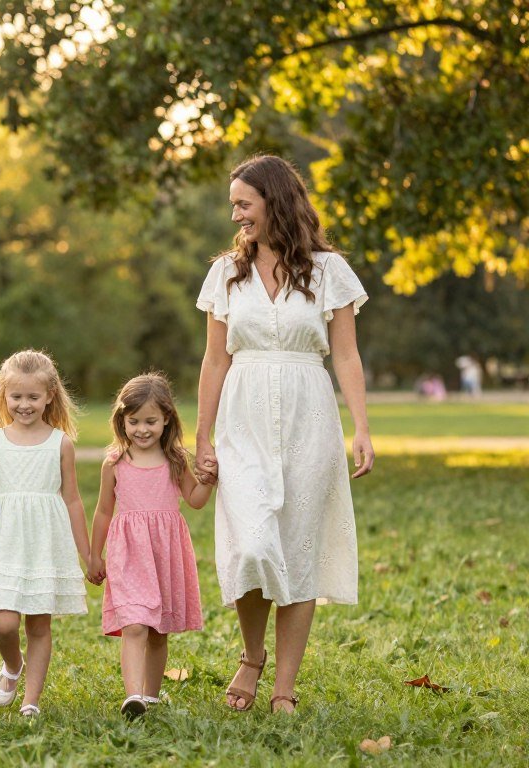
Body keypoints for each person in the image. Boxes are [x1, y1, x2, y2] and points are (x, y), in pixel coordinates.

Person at [194, 154, 374, 714]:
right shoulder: (226, 271)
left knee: (298, 550)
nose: (236, 216)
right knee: (251, 545)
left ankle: (284, 685)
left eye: (244, 204)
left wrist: (362, 427)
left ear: (275, 200)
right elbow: (213, 361)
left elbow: (345, 354)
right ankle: (252, 656)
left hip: (309, 413)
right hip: (241, 416)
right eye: (233, 206)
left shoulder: (328, 271)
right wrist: (202, 436)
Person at [0, 350, 90, 717]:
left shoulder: (60, 443)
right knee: (4, 622)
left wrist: (88, 554)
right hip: (7, 542)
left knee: (39, 623)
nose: (24, 404)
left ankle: (31, 700)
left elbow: (72, 501)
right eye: (16, 396)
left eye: (33, 397)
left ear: (50, 395)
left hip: (45, 543)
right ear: (3, 395)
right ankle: (13, 665)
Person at [88, 373, 214, 719]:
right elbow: (102, 512)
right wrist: (93, 554)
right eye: (134, 421)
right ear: (122, 420)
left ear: (166, 419)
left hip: (164, 553)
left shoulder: (175, 461)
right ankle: (133, 696)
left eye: (150, 421)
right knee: (134, 624)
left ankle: (151, 696)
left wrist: (210, 482)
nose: (142, 429)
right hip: (128, 554)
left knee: (158, 631)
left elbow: (195, 499)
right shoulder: (114, 463)